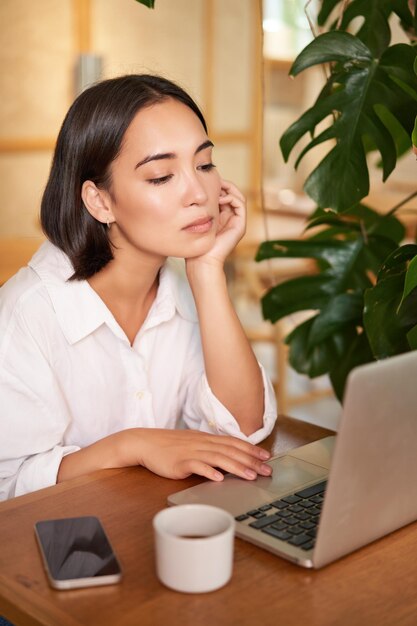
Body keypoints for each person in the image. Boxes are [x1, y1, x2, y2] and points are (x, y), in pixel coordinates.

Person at [0, 74, 277, 501]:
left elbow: (243, 428)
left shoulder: (179, 290)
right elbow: (9, 486)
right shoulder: (26, 314)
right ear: (100, 201)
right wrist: (133, 445)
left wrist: (206, 271)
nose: (199, 193)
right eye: (162, 176)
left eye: (204, 165)